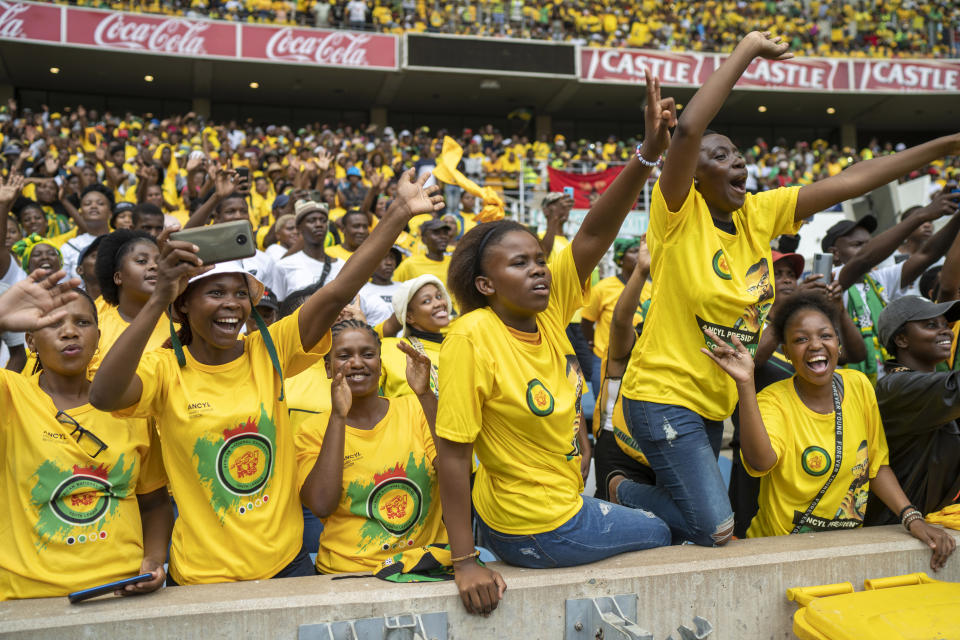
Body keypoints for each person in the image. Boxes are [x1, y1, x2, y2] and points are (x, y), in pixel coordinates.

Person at [619, 31, 960, 548]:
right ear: (690, 174)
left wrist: (946, 146)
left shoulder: (759, 212)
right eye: (719, 155)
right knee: (715, 528)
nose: (736, 162)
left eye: (737, 153)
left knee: (696, 525)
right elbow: (688, 128)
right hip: (662, 397)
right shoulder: (676, 217)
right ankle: (622, 489)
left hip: (715, 400)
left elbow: (852, 180)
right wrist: (749, 50)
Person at [89, 169, 443, 586]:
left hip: (288, 566)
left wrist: (398, 214)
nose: (232, 305)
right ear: (183, 306)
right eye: (215, 293)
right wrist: (159, 299)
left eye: (241, 293)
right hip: (204, 576)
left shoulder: (270, 349)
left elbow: (336, 292)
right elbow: (104, 396)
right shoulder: (166, 368)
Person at [436, 71, 675, 616]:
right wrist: (464, 560)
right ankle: (618, 494)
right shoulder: (472, 336)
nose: (540, 270)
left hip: (551, 505)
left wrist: (645, 154)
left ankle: (612, 492)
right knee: (667, 530)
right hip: (537, 527)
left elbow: (593, 232)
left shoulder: (545, 314)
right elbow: (453, 453)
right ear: (485, 285)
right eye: (519, 264)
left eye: (540, 259)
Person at [703, 293, 955, 571]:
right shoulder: (773, 400)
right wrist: (746, 383)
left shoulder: (859, 386)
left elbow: (876, 466)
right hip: (780, 552)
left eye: (825, 335)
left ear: (838, 343)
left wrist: (912, 519)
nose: (815, 345)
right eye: (800, 339)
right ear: (786, 352)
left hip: (843, 548)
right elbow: (760, 462)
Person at [0, 269, 172, 599]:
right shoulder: (10, 393)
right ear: (30, 340)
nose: (69, 333)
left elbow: (154, 504)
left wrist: (153, 561)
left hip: (121, 591)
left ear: (98, 337)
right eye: (53, 324)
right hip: (29, 598)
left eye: (82, 323)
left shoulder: (129, 406)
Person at [726, 251, 867, 537]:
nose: (787, 280)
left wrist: (836, 309)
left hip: (804, 452)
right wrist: (786, 315)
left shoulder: (813, 329)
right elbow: (751, 364)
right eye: (778, 274)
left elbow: (855, 354)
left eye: (791, 274)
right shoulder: (748, 323)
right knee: (751, 532)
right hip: (758, 447)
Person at [295, 319, 446, 574]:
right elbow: (321, 504)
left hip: (424, 565)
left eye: (367, 354)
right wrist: (338, 417)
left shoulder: (415, 409)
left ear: (380, 363)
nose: (357, 363)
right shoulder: (311, 430)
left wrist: (425, 396)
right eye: (344, 356)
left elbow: (455, 473)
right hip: (349, 573)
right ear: (328, 368)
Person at [823, 187, 960, 381]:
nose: (868, 249)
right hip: (849, 387)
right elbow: (864, 259)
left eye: (869, 243)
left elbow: (926, 254)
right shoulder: (829, 281)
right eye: (858, 245)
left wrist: (957, 218)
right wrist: (921, 215)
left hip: (886, 384)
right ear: (835, 253)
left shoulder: (877, 280)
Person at [863, 295, 960, 526]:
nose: (946, 331)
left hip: (931, 528)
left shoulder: (930, 385)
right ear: (902, 339)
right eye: (931, 325)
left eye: (946, 325)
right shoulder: (896, 387)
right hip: (897, 532)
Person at [593, 237, 655, 503]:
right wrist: (641, 271)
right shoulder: (628, 346)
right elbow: (620, 321)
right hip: (618, 445)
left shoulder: (679, 354)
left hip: (660, 448)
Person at [581, 237, 645, 397]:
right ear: (621, 258)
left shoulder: (651, 288)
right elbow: (587, 321)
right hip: (604, 360)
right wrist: (594, 343)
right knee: (603, 408)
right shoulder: (603, 288)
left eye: (640, 251)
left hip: (639, 362)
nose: (638, 255)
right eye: (633, 251)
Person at [380, 275, 452, 397]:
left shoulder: (458, 344)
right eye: (427, 301)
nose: (439, 303)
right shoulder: (389, 347)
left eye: (439, 296)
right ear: (409, 317)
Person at [277, 200, 344, 299]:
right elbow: (278, 308)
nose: (318, 224)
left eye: (323, 220)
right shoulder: (284, 266)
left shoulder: (342, 266)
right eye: (311, 221)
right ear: (299, 228)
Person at [60, 185, 114, 281]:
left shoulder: (121, 242)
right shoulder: (69, 246)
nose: (93, 206)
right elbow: (62, 283)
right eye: (87, 204)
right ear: (81, 213)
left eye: (100, 203)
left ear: (110, 213)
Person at [393, 217, 453, 285]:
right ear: (424, 239)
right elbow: (394, 287)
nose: (443, 236)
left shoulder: (453, 264)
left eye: (445, 233)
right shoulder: (410, 264)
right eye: (436, 233)